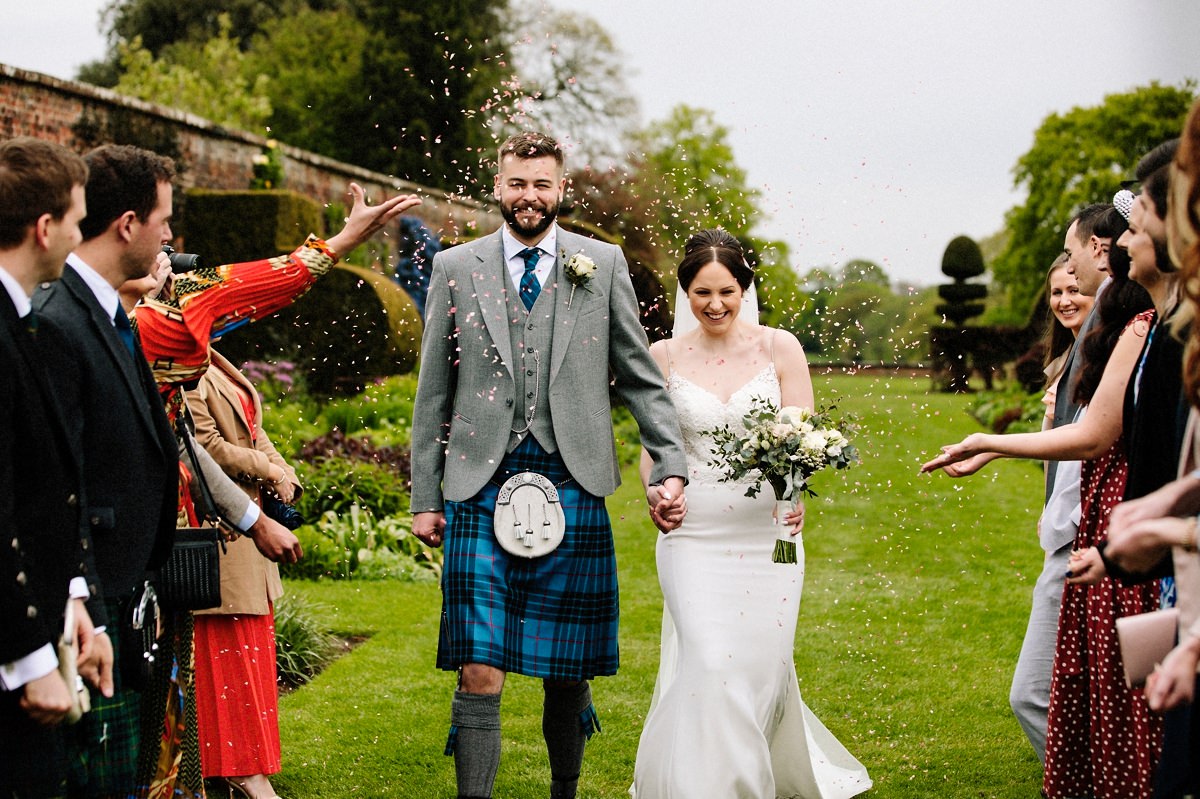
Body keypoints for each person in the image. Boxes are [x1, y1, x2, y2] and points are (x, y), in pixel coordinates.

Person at [410, 131, 688, 799]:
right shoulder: (455, 267)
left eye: (541, 184)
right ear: (497, 185)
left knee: (568, 667)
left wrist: (671, 463)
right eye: (516, 183)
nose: (528, 196)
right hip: (479, 483)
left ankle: (565, 789)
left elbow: (641, 378)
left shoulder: (602, 262)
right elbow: (432, 394)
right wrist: (425, 494)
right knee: (479, 666)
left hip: (573, 480)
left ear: (562, 189)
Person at [922, 213, 1167, 798]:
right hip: (1093, 535)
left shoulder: (1141, 327)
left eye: (1071, 254)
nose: (1068, 278)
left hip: (1114, 534)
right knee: (1100, 697)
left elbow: (1096, 436)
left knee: (1082, 697)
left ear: (1100, 251)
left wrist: (990, 443)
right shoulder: (1119, 331)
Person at [629, 229, 871, 798]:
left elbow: (804, 439)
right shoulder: (661, 357)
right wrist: (656, 493)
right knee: (711, 662)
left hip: (769, 537)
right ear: (685, 292)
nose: (715, 304)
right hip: (692, 533)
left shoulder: (779, 348)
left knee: (757, 670)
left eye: (728, 291)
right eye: (702, 292)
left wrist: (793, 493)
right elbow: (651, 452)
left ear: (746, 289)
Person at [0, 137, 113, 798]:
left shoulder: (21, 324)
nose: (80, 233)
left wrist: (70, 595)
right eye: (75, 218)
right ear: (44, 229)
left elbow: (44, 489)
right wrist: (30, 656)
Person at [186, 347, 300, 799]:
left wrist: (283, 472)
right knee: (226, 649)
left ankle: (243, 768)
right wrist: (267, 469)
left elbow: (256, 431)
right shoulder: (182, 364)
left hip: (254, 519)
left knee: (251, 648)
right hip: (222, 527)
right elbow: (205, 446)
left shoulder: (214, 358)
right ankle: (240, 771)